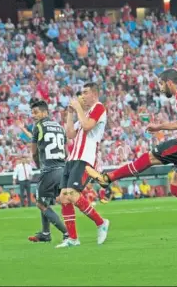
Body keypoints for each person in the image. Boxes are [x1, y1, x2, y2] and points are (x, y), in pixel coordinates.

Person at [93, 69, 177, 245]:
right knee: (176, 187)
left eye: (160, 84)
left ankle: (109, 177)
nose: (160, 89)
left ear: (168, 82)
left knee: (149, 158)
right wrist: (160, 127)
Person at [57, 85, 110, 248]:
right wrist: (70, 113)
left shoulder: (99, 108)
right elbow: (70, 134)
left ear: (94, 94)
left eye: (85, 93)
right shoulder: (84, 113)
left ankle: (101, 222)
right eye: (81, 93)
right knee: (63, 198)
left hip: (85, 159)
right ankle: (73, 239)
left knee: (72, 194)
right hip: (72, 158)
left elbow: (87, 126)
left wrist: (78, 108)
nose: (82, 96)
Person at [27, 100, 70, 245]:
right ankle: (45, 233)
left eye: (36, 112)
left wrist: (39, 165)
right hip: (62, 168)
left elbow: (33, 152)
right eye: (32, 113)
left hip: (49, 170)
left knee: (40, 203)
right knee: (45, 200)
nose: (33, 115)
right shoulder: (59, 126)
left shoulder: (38, 126)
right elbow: (66, 151)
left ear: (45, 112)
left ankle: (67, 233)